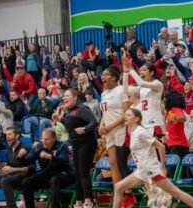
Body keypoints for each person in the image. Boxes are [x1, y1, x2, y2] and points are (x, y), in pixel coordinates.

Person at [112, 108, 193, 208]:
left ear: (136, 119)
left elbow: (161, 147)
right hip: (142, 171)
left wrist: (162, 166)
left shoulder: (141, 132)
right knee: (118, 187)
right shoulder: (132, 132)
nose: (125, 117)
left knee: (176, 193)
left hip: (151, 170)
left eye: (129, 115)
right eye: (125, 115)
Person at [52, 88, 98, 208]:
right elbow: (70, 127)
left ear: (75, 98)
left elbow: (94, 122)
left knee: (83, 172)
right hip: (75, 143)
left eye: (67, 96)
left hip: (87, 143)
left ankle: (88, 201)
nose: (64, 98)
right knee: (77, 173)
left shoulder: (82, 108)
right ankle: (78, 201)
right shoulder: (69, 111)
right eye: (64, 96)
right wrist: (60, 119)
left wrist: (85, 129)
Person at [98, 65, 131, 199]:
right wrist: (101, 126)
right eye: (102, 75)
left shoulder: (121, 90)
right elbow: (104, 113)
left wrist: (111, 126)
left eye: (105, 74)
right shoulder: (103, 93)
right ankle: (119, 194)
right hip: (109, 131)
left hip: (121, 129)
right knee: (112, 164)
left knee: (120, 161)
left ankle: (129, 192)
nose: (102, 77)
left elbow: (127, 113)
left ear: (113, 77)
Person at [20, 129, 75, 208]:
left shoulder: (62, 146)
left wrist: (50, 157)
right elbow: (27, 161)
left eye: (47, 139)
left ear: (54, 138)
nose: (44, 141)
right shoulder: (39, 147)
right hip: (47, 175)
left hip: (64, 174)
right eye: (43, 139)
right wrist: (21, 157)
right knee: (26, 182)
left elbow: (62, 162)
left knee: (54, 179)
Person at [123, 57, 165, 137]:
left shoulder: (157, 84)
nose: (141, 72)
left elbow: (141, 83)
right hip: (144, 123)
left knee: (157, 148)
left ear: (152, 73)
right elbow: (126, 90)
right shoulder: (142, 87)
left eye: (144, 70)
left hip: (155, 123)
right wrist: (126, 72)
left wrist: (131, 69)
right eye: (140, 70)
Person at [0, 127, 33, 208]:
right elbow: (9, 168)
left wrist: (13, 170)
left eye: (10, 134)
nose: (7, 136)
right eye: (6, 135)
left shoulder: (26, 148)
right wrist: (0, 166)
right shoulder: (9, 151)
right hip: (13, 177)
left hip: (25, 178)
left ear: (17, 136)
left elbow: (31, 169)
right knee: (1, 179)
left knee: (4, 180)